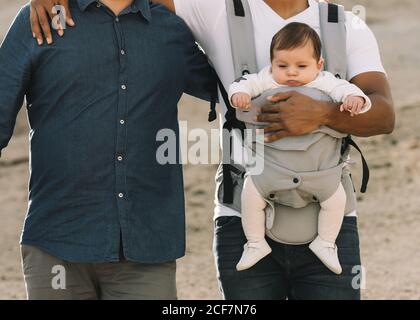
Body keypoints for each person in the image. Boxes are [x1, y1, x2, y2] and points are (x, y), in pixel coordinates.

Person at [29, 0, 395, 300]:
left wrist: (323, 114)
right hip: (240, 216)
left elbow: (384, 115)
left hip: (330, 222)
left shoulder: (346, 24)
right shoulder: (215, 8)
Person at [0, 0, 216, 299]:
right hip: (56, 245)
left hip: (145, 248)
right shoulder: (43, 18)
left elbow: (234, 88)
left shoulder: (171, 28)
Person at [229, 22, 371, 274]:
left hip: (319, 173)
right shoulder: (267, 79)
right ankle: (255, 243)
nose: (291, 73)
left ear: (319, 66)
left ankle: (326, 243)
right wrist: (239, 93)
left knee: (336, 200)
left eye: (301, 66)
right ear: (271, 64)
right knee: (250, 194)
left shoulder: (324, 82)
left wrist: (354, 98)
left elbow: (345, 89)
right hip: (270, 171)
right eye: (282, 66)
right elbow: (245, 83)